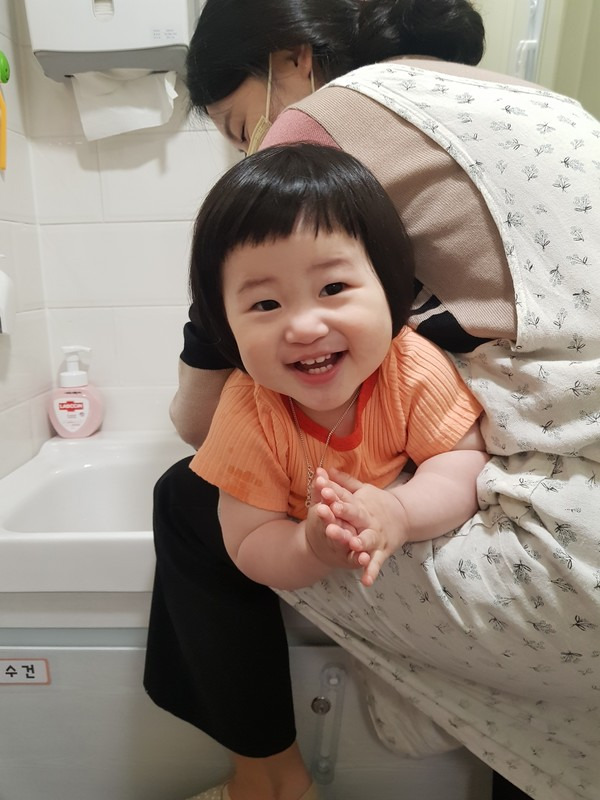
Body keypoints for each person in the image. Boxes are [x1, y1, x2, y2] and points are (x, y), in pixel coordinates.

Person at [143, 1, 600, 799]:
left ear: (292, 60)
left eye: (241, 126)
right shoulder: (521, 97)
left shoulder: (319, 137)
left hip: (561, 537)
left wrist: (386, 513)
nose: (251, 152)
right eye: (266, 304)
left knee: (187, 498)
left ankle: (268, 779)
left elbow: (193, 417)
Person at [188, 144, 489, 595]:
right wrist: (309, 548)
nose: (306, 328)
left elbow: (462, 461)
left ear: (387, 285)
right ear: (224, 325)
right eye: (266, 304)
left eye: (332, 288)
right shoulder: (248, 411)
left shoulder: (409, 365)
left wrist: (399, 512)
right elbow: (249, 540)